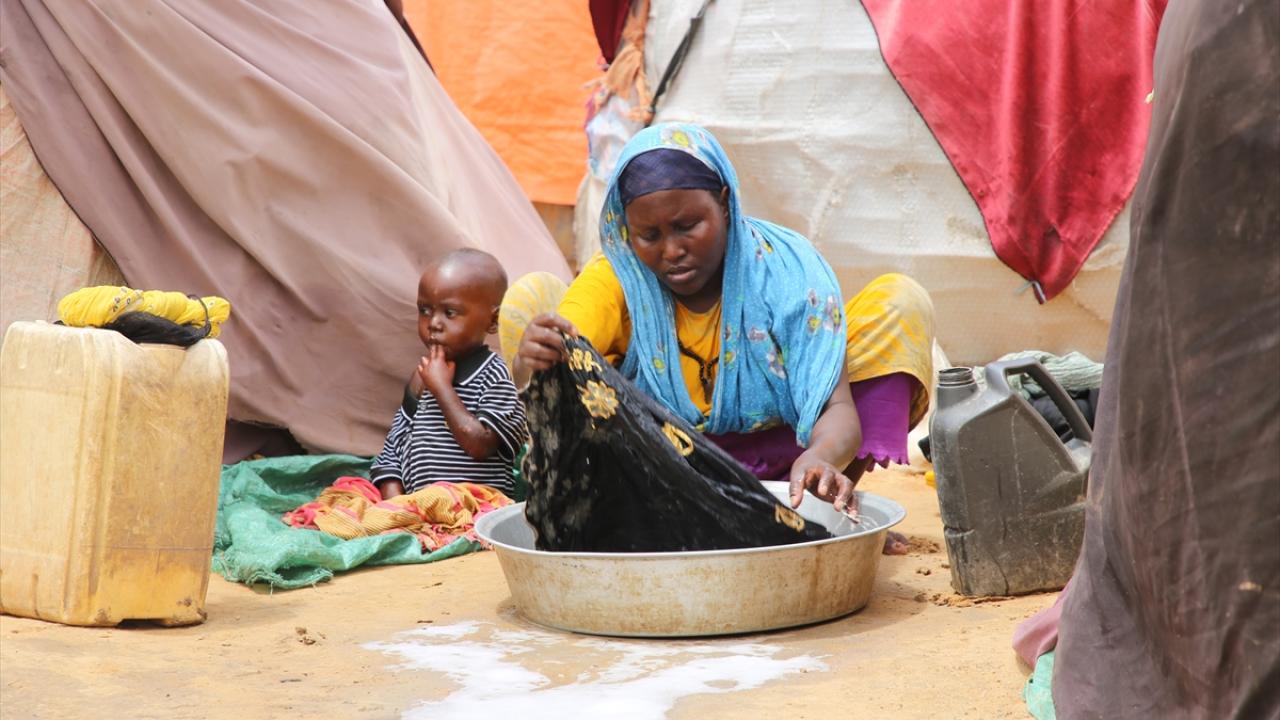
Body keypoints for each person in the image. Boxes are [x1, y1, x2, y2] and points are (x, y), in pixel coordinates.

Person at [514, 123, 934, 554]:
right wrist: (533, 356)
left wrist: (820, 458)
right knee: (529, 313)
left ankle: (825, 514)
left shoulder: (784, 273)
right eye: (649, 236)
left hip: (790, 467)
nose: (671, 250)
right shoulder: (619, 278)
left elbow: (835, 408)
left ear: (725, 203)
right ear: (626, 230)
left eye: (687, 226)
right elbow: (559, 353)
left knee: (899, 305)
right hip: (665, 474)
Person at [371, 249, 528, 499]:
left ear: (493, 320)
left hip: (475, 507)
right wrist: (396, 500)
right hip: (420, 508)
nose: (433, 323)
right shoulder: (421, 378)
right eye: (425, 310)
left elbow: (481, 445)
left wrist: (442, 389)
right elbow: (394, 445)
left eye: (450, 313)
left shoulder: (495, 375)